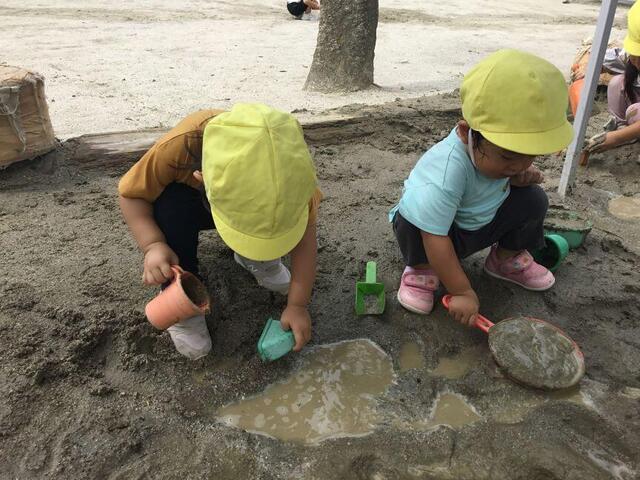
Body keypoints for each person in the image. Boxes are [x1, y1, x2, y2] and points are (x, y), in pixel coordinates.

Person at [119, 103, 322, 360]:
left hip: (233, 205)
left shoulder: (295, 176)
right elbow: (130, 195)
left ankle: (259, 258)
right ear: (202, 177)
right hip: (190, 204)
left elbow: (305, 239)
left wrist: (297, 305)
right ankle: (180, 298)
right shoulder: (181, 145)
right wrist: (153, 245)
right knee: (171, 206)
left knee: (274, 221)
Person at [388, 49, 573, 326]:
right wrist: (462, 291)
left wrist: (516, 176)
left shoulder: (500, 160)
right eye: (509, 156)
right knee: (413, 219)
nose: (519, 163)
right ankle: (421, 270)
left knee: (533, 199)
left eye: (530, 154)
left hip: (477, 221)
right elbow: (435, 236)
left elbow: (503, 175)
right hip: (436, 235)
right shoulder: (446, 171)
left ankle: (505, 259)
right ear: (466, 133)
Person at [586, 0, 640, 153]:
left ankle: (628, 133)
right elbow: (600, 60)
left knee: (635, 110)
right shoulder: (629, 55)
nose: (636, 60)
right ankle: (623, 126)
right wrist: (585, 70)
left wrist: (617, 137)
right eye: (636, 54)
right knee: (618, 82)